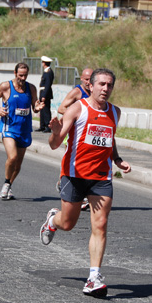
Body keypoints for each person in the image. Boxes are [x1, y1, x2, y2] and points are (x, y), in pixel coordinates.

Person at [40, 68, 131, 298]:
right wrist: (55, 132)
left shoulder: (115, 112)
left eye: (110, 85)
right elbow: (54, 144)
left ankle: (94, 277)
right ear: (90, 85)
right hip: (74, 175)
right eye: (101, 84)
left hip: (101, 177)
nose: (106, 89)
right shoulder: (77, 109)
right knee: (68, 223)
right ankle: (53, 220)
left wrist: (117, 159)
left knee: (100, 225)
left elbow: (109, 138)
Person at [0, 62, 44, 200]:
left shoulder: (31, 88)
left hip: (24, 129)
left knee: (18, 164)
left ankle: (9, 184)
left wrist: (38, 108)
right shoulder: (5, 86)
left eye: (25, 75)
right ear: (15, 73)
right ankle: (6, 183)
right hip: (9, 128)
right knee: (12, 157)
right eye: (20, 75)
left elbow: (34, 107)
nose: (23, 78)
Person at [56, 67, 94, 210]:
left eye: (91, 79)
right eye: (86, 79)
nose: (88, 82)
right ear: (81, 79)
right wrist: (78, 114)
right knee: (74, 159)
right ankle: (65, 180)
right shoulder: (77, 92)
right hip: (74, 132)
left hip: (89, 134)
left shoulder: (95, 93)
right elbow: (61, 108)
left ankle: (82, 192)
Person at [36, 56, 54, 133]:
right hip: (42, 92)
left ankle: (48, 126)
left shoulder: (49, 72)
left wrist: (44, 96)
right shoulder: (46, 71)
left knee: (46, 110)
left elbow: (47, 84)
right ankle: (42, 126)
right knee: (42, 110)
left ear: (44, 63)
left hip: (45, 93)